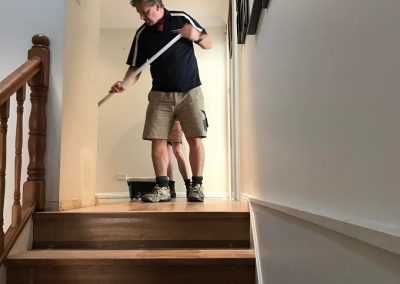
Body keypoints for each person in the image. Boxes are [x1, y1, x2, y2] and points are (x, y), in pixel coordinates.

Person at [110, 0, 212, 203]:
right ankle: (163, 188)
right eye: (139, 13)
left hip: (190, 91)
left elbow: (209, 43)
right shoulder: (142, 34)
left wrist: (196, 36)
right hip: (160, 95)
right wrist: (124, 84)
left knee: (194, 138)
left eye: (145, 12)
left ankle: (197, 186)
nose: (143, 17)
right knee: (157, 139)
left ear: (158, 5)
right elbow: (135, 69)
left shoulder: (181, 19)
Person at [167, 120, 192, 198]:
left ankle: (188, 185)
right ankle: (171, 187)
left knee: (177, 151)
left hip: (176, 118)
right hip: (163, 118)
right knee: (167, 152)